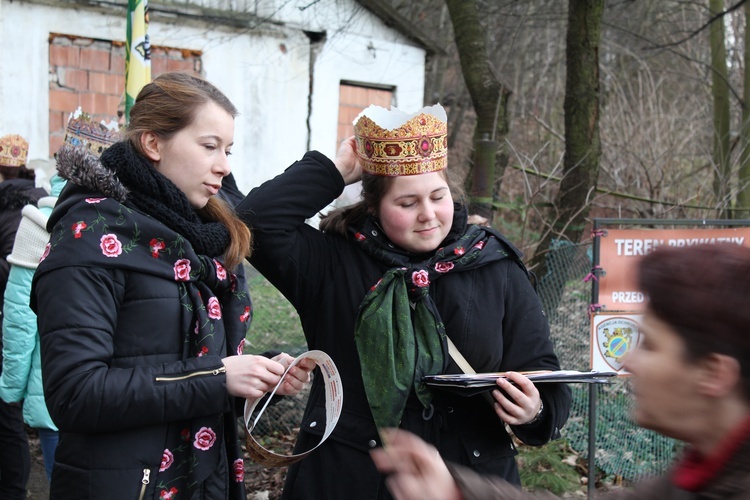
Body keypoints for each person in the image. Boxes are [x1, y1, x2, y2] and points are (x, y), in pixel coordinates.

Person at [237, 104, 572, 498]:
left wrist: (534, 411)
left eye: (438, 196)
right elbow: (254, 221)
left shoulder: (494, 265)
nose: (428, 215)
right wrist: (337, 169)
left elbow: (546, 377)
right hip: (349, 478)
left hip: (466, 478)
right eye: (407, 203)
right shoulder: (331, 264)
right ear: (374, 207)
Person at [31, 72, 313, 499]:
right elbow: (76, 393)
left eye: (229, 149)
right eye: (209, 146)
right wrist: (219, 377)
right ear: (153, 143)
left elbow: (182, 374)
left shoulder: (196, 240)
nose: (225, 165)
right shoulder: (89, 237)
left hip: (203, 481)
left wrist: (257, 377)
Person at [371, 242, 750, 500]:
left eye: (650, 345)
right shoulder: (698, 474)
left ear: (713, 374)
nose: (629, 361)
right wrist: (454, 488)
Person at [0, 108, 121, 483]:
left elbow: (20, 316)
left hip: (53, 388)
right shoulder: (127, 220)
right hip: (120, 392)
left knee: (65, 483)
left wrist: (10, 388)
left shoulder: (38, 223)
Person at [0, 133, 45, 500]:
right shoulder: (30, 203)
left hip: (11, 319)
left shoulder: (21, 213)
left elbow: (16, 279)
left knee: (6, 415)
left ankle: (13, 489)